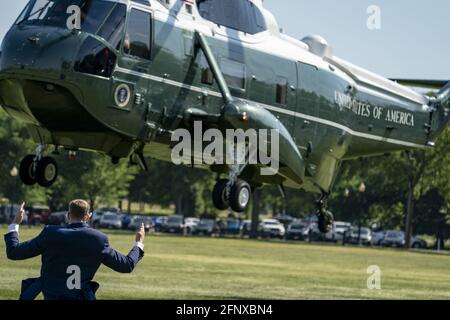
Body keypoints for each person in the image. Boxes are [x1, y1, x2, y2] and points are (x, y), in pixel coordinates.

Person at [4, 200, 145, 300]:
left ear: (68, 215)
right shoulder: (98, 239)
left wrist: (15, 224)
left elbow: (14, 252)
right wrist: (138, 243)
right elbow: (126, 265)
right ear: (88, 217)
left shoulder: (50, 233)